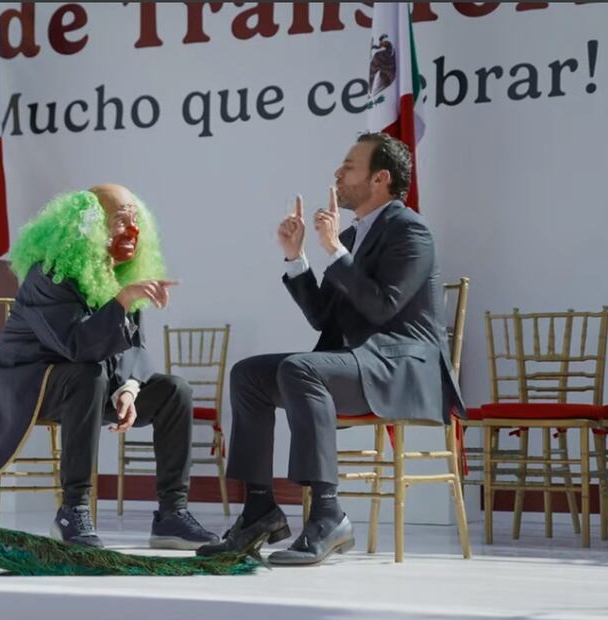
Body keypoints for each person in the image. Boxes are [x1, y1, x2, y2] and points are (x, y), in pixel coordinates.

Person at [198, 133, 464, 565]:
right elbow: (324, 317)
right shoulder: (354, 236)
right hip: (358, 364)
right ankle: (259, 508)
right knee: (248, 374)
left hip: (402, 369)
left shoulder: (410, 230)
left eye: (349, 166)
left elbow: (382, 307)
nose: (338, 173)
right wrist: (297, 258)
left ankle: (328, 513)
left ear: (380, 178)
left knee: (301, 368)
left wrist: (336, 251)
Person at [0, 184, 219, 550]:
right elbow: (76, 345)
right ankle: (73, 510)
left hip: (93, 388)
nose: (133, 230)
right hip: (34, 390)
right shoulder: (49, 276)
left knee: (175, 391)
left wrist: (129, 387)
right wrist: (123, 300)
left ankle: (171, 515)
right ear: (90, 226)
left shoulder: (120, 278)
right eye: (121, 220)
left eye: (136, 220)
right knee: (88, 374)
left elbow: (135, 347)